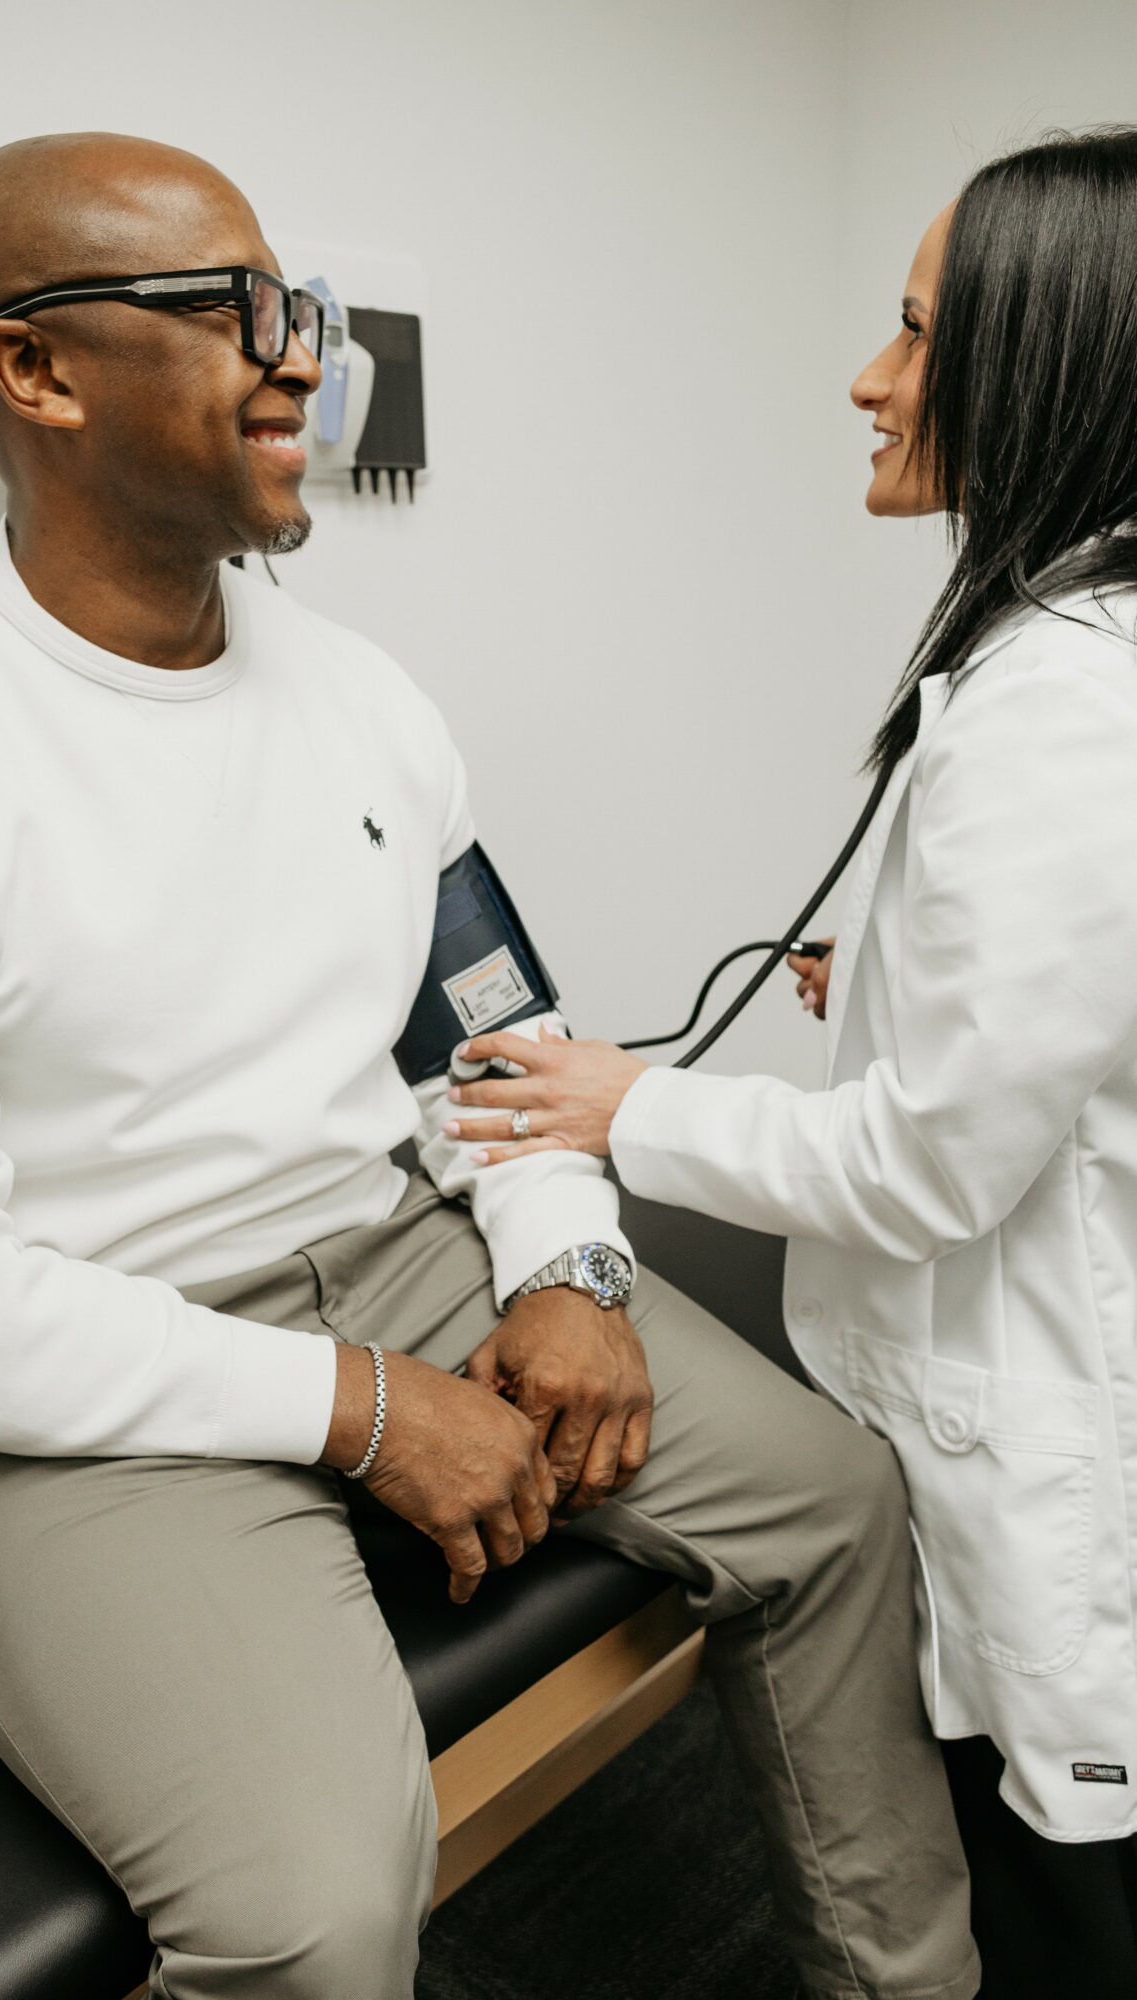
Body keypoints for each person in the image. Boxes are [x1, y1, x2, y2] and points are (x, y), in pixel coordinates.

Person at [0, 132, 979, 2000]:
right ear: (32, 368)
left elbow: (498, 1040)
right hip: (74, 1364)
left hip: (394, 1252)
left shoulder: (359, 697)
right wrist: (357, 1410)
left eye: (298, 306)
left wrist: (569, 1268)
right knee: (312, 1918)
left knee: (836, 1511)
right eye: (232, 311)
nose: (300, 356)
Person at [453, 127, 1137, 1999]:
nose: (866, 377)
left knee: (1069, 1917)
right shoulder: (1089, 655)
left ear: (1054, 362)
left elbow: (924, 1173)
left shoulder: (1061, 706)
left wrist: (623, 1106)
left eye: (915, 331)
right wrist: (918, 977)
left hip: (1049, 1441)